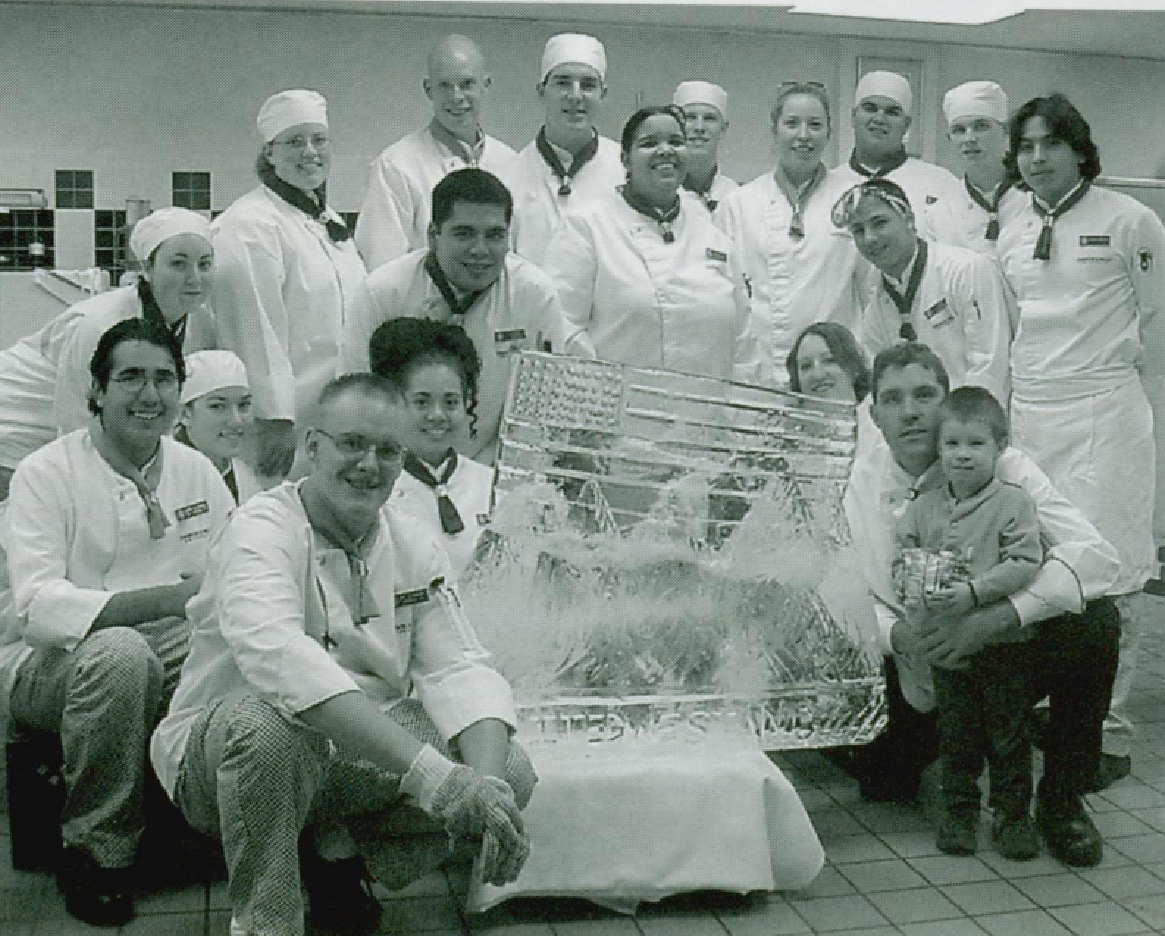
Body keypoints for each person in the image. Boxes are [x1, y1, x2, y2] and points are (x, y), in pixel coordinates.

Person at [151, 373, 535, 936]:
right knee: (271, 729)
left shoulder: (409, 541)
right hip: (224, 759)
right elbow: (283, 663)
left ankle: (337, 855)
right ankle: (267, 922)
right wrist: (436, 780)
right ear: (311, 446)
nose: (369, 464)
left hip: (348, 754)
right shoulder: (260, 529)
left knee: (509, 768)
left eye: (387, 450)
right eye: (352, 443)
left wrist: (484, 791)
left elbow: (460, 667)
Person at [844, 342, 1120, 868]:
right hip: (917, 659)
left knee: (1096, 624)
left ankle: (1062, 799)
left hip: (1003, 654)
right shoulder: (860, 482)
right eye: (893, 399)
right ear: (874, 414)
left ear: (948, 401)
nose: (911, 411)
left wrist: (996, 619)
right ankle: (937, 767)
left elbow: (1097, 558)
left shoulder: (1006, 466)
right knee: (881, 779)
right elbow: (843, 591)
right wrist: (901, 638)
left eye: (926, 394)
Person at [0, 317, 234, 925]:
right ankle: (98, 854)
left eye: (164, 379)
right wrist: (170, 600)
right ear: (97, 392)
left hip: (170, 641)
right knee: (124, 657)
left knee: (246, 650)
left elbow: (231, 576)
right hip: (46, 661)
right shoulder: (47, 473)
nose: (149, 394)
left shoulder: (195, 471)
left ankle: (230, 825)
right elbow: (39, 609)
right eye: (130, 377)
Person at [998, 94, 1165, 790]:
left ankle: (1106, 729)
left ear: (1077, 148)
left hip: (1104, 414)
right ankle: (1051, 711)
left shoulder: (1131, 222)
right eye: (1026, 148)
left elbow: (1156, 328)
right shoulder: (1010, 223)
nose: (1036, 159)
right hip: (1033, 413)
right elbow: (1011, 326)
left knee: (1111, 572)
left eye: (1049, 145)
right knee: (1043, 565)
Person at [894, 386, 1042, 859]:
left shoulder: (1012, 503)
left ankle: (1013, 816)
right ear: (938, 450)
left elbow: (1025, 560)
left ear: (1001, 446)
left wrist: (975, 592)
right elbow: (902, 555)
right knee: (956, 735)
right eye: (952, 444)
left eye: (976, 444)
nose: (963, 455)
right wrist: (908, 579)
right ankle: (958, 812)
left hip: (1004, 648)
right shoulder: (923, 507)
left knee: (1009, 735)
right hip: (949, 653)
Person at [343, 167, 565, 464]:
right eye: (464, 234)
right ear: (433, 235)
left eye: (495, 235)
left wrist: (483, 480)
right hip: (396, 467)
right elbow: (358, 401)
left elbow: (544, 413)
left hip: (494, 466)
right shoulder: (382, 294)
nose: (480, 250)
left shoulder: (534, 296)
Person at [0, 208, 217, 501]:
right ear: (147, 269)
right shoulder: (99, 325)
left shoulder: (201, 324)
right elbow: (77, 421)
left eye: (204, 264)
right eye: (178, 264)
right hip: (11, 431)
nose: (194, 278)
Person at [212, 89, 366, 480]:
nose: (310, 152)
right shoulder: (250, 225)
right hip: (281, 427)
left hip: (334, 415)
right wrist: (276, 418)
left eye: (319, 140)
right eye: (295, 142)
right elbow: (254, 330)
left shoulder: (322, 218)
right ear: (270, 153)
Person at [543, 105, 757, 382]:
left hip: (706, 416)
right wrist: (601, 395)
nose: (665, 150)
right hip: (616, 413)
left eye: (676, 142)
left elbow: (743, 342)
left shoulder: (711, 233)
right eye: (649, 143)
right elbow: (562, 327)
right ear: (625, 159)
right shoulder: (586, 226)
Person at [719, 82, 862, 383]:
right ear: (775, 130)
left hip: (833, 372)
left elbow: (870, 292)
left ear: (829, 133)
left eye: (815, 125)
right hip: (758, 371)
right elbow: (723, 295)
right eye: (792, 123)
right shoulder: (738, 204)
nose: (803, 136)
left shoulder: (854, 201)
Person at [832, 179, 1012, 404]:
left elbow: (990, 366)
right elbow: (882, 375)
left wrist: (960, 429)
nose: (870, 238)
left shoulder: (965, 271)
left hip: (971, 423)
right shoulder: (874, 294)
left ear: (909, 218)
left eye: (879, 223)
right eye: (859, 230)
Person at [354, 35, 517, 272]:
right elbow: (380, 268)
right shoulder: (397, 165)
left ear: (486, 85)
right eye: (444, 85)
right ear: (428, 90)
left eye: (467, 84)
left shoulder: (510, 162)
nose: (456, 96)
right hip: (423, 306)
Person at [369, 317, 492, 580]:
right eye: (422, 402)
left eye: (450, 402)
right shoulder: (373, 485)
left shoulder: (491, 483)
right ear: (394, 403)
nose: (437, 416)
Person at [501, 33, 624, 266]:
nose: (575, 95)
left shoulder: (627, 171)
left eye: (588, 85)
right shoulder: (508, 178)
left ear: (603, 95)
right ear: (541, 91)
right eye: (563, 83)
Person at [830, 71, 961, 238]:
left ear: (906, 125)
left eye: (892, 112)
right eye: (870, 108)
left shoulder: (941, 185)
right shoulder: (829, 185)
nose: (879, 118)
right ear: (853, 116)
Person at [928, 81, 1027, 255]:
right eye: (959, 130)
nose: (970, 138)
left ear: (1005, 131)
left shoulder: (1033, 198)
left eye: (981, 126)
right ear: (949, 138)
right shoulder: (940, 214)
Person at [175, 350, 261, 504]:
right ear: (184, 414)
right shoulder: (161, 477)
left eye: (244, 405)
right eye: (218, 406)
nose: (236, 421)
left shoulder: (249, 481)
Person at [786, 321, 879, 457]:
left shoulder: (880, 430)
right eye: (806, 366)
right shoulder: (787, 440)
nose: (818, 374)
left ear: (854, 368)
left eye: (830, 360)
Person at [672, 80, 737, 213]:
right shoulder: (658, 195)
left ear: (723, 129)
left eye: (709, 118)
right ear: (675, 126)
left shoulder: (737, 198)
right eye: (690, 117)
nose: (699, 127)